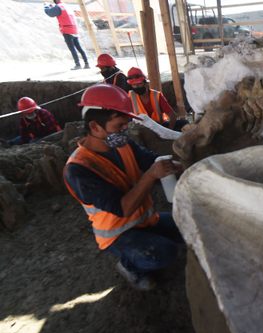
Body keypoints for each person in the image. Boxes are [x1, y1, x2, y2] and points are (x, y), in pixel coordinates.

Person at [63, 84, 184, 290]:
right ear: (95, 127)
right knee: (164, 253)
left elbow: (152, 160)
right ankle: (129, 266)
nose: (124, 130)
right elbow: (123, 208)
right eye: (119, 126)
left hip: (145, 220)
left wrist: (179, 164)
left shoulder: (122, 143)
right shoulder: (79, 169)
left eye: (125, 125)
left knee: (187, 224)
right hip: (118, 234)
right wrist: (151, 175)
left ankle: (149, 239)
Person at [126, 67, 188, 131]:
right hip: (142, 130)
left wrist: (168, 131)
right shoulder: (130, 96)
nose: (137, 87)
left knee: (184, 123)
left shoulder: (156, 95)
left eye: (139, 84)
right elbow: (126, 116)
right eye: (134, 85)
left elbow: (172, 115)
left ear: (146, 83)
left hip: (159, 126)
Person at [44, 0, 90, 70]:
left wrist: (46, 6)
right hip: (74, 29)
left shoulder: (58, 7)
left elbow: (50, 13)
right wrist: (52, 6)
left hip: (67, 30)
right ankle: (87, 64)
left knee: (72, 48)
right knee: (79, 47)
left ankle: (78, 65)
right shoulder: (66, 6)